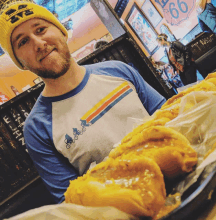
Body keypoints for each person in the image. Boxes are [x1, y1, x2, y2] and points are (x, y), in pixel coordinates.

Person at [0, 1, 166, 203]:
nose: (39, 43)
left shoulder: (119, 70)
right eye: (23, 42)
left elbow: (169, 115)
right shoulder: (37, 128)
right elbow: (70, 200)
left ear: (61, 31)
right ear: (20, 62)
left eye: (41, 29)